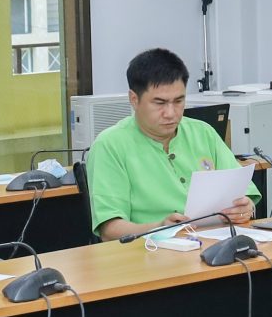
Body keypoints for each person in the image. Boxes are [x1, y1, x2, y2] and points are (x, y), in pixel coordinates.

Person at [87, 46, 255, 240]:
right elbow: (109, 230)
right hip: (150, 251)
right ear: (134, 99)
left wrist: (245, 208)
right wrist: (159, 228)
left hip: (214, 243)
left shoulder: (203, 133)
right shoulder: (110, 145)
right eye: (159, 103)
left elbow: (245, 195)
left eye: (178, 101)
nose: (171, 113)